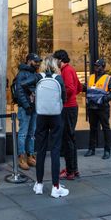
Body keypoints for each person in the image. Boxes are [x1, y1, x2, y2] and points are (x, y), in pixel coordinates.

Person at [33, 55, 69, 198]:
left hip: (41, 116)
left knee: (40, 150)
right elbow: (64, 96)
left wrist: (32, 97)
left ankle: (39, 185)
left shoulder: (38, 77)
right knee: (55, 150)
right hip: (55, 116)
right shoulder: (58, 78)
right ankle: (55, 186)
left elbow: (23, 84)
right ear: (55, 65)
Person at [54, 49, 81, 181]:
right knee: (70, 139)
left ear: (60, 60)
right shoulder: (70, 70)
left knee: (67, 140)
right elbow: (79, 87)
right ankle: (73, 169)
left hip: (68, 108)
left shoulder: (67, 70)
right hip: (71, 107)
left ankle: (70, 171)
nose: (55, 63)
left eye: (55, 60)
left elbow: (70, 88)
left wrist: (59, 96)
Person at [13, 52, 42, 170]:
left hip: (34, 107)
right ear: (29, 61)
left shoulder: (34, 73)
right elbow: (19, 91)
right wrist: (27, 106)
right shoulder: (22, 74)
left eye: (38, 62)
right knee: (23, 133)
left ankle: (30, 155)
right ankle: (21, 157)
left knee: (32, 133)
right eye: (35, 62)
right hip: (25, 108)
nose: (37, 64)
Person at [84, 58, 111, 160]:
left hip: (102, 108)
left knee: (105, 129)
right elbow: (85, 88)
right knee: (93, 129)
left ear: (103, 67)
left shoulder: (108, 78)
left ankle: (107, 150)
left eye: (98, 66)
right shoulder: (91, 77)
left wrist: (104, 99)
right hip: (92, 108)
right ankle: (91, 149)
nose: (96, 67)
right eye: (95, 66)